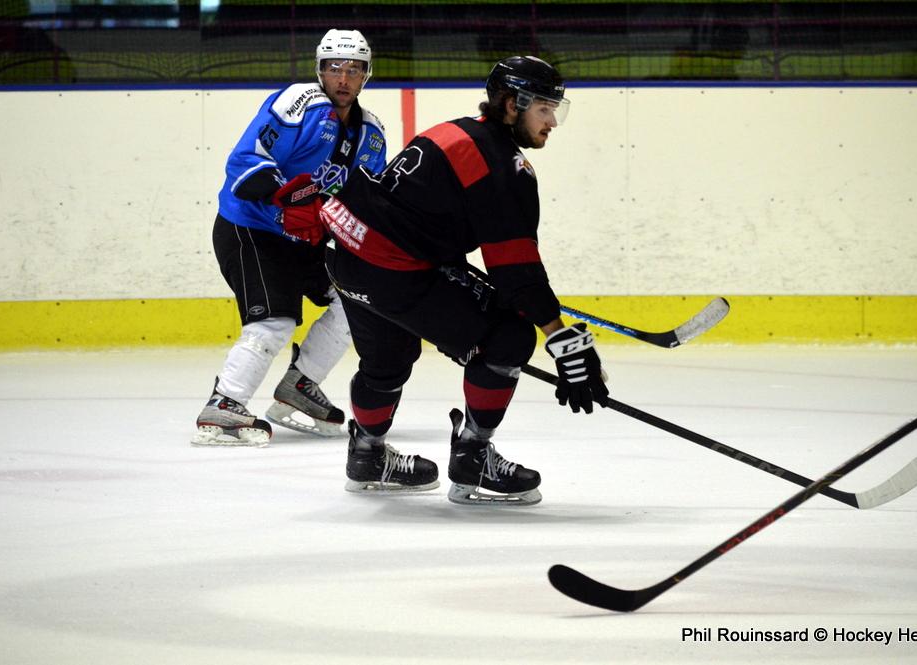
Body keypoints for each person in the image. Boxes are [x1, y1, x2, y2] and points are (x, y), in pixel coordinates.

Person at [319, 55, 609, 504]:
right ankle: (473, 459)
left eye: (556, 109)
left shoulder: (453, 129)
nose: (553, 121)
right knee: (509, 334)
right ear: (513, 104)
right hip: (395, 268)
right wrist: (561, 339)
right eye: (545, 109)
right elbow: (515, 272)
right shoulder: (503, 168)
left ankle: (367, 455)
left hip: (347, 253)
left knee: (389, 358)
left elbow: (427, 227)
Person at [192, 29, 387, 446]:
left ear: (366, 75)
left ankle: (300, 385)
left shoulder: (371, 133)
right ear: (319, 70)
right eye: (334, 67)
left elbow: (368, 202)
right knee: (273, 322)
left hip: (307, 241)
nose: (343, 78)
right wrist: (285, 200)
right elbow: (245, 164)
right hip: (252, 230)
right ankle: (224, 403)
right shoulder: (299, 103)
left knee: (358, 302)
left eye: (354, 69)